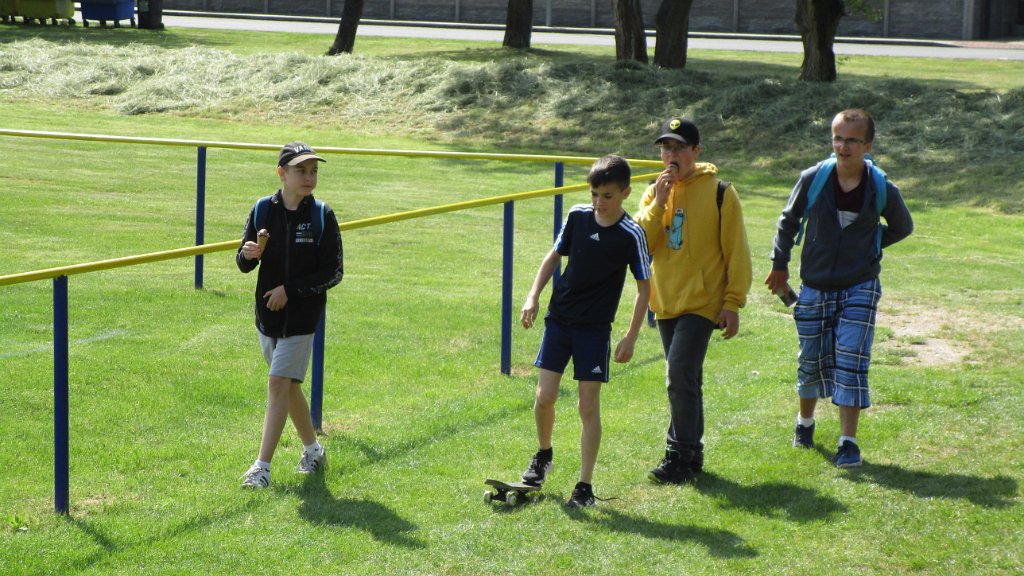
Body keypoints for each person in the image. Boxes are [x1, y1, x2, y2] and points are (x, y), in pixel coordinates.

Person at [766, 108, 913, 467]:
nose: (843, 147)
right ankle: (805, 423)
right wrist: (779, 265)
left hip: (861, 283)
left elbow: (903, 226)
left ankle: (848, 442)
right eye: (837, 138)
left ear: (868, 145)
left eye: (852, 140)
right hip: (815, 283)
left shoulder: (880, 185)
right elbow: (788, 221)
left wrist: (869, 244)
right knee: (811, 359)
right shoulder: (814, 178)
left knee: (852, 357)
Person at [518, 154, 652, 507]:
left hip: (594, 330)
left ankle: (584, 486)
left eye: (607, 196)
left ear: (625, 193)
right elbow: (554, 256)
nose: (598, 202)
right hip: (559, 320)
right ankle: (543, 456)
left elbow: (644, 289)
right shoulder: (577, 216)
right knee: (545, 396)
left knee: (587, 406)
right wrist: (533, 296)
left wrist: (630, 336)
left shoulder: (631, 234)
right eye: (594, 194)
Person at [635, 117, 752, 484]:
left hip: (703, 301)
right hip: (666, 299)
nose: (671, 155)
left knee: (678, 374)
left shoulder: (720, 192)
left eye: (679, 148)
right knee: (687, 378)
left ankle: (679, 454)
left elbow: (737, 252)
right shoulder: (654, 193)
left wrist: (732, 303)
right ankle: (693, 455)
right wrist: (660, 202)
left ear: (696, 151)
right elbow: (640, 243)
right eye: (666, 148)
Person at [236, 141, 344, 488]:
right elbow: (243, 263)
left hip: (301, 318)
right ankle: (313, 450)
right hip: (267, 317)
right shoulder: (261, 210)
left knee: (278, 383)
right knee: (288, 385)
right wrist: (247, 254)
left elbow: (334, 272)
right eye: (301, 171)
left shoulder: (322, 215)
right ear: (282, 173)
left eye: (314, 171)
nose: (309, 177)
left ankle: (262, 468)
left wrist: (290, 290)